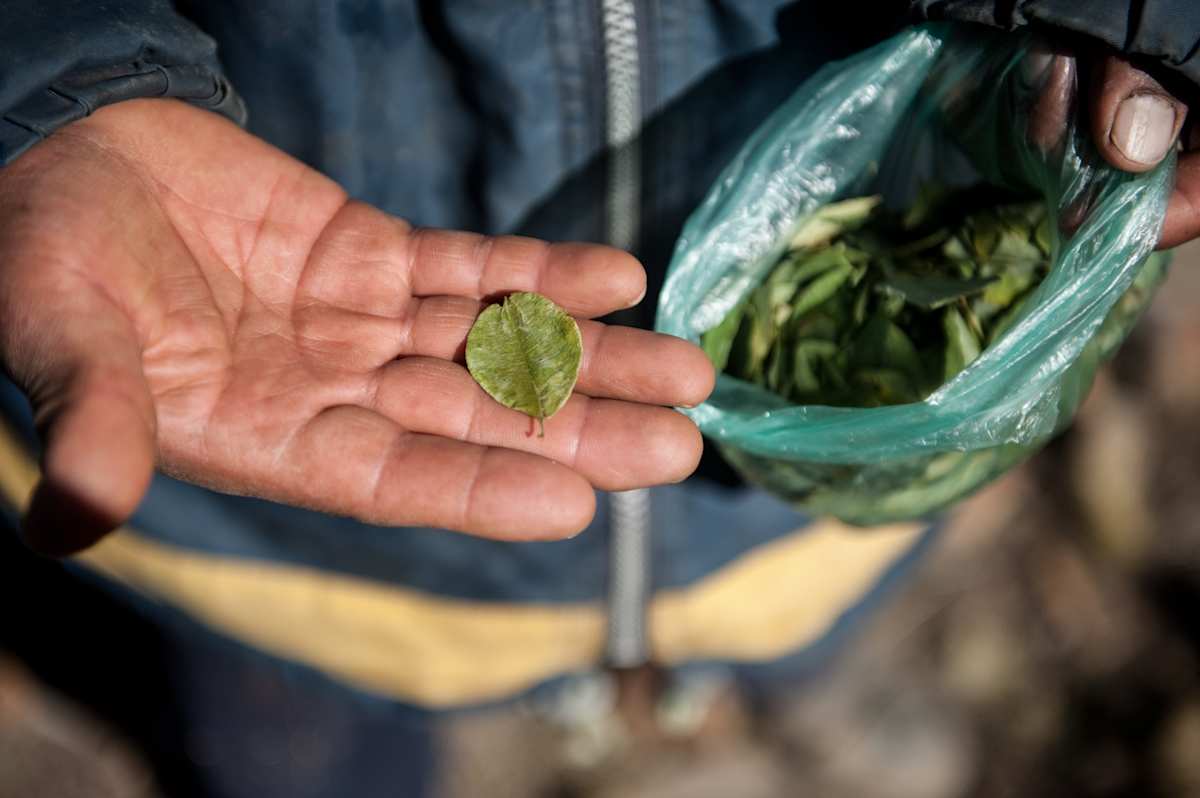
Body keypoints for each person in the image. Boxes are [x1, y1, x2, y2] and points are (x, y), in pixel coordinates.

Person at [0, 2, 1197, 796]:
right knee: (276, 749)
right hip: (268, 554)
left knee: (803, 635)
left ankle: (695, 685)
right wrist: (45, 77)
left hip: (771, 536)